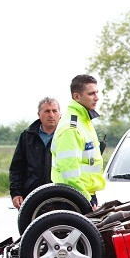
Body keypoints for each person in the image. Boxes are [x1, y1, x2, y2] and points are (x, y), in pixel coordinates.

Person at [51, 74, 106, 209]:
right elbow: (70, 173)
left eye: (97, 92)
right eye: (91, 94)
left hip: (82, 194)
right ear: (76, 97)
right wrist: (87, 200)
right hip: (74, 198)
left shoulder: (84, 120)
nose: (97, 97)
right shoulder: (72, 127)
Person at [9, 97, 60, 209]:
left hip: (61, 196)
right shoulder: (27, 136)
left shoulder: (67, 135)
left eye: (54, 111)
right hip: (32, 196)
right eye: (47, 111)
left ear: (60, 114)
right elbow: (17, 168)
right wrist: (16, 193)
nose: (51, 115)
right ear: (39, 114)